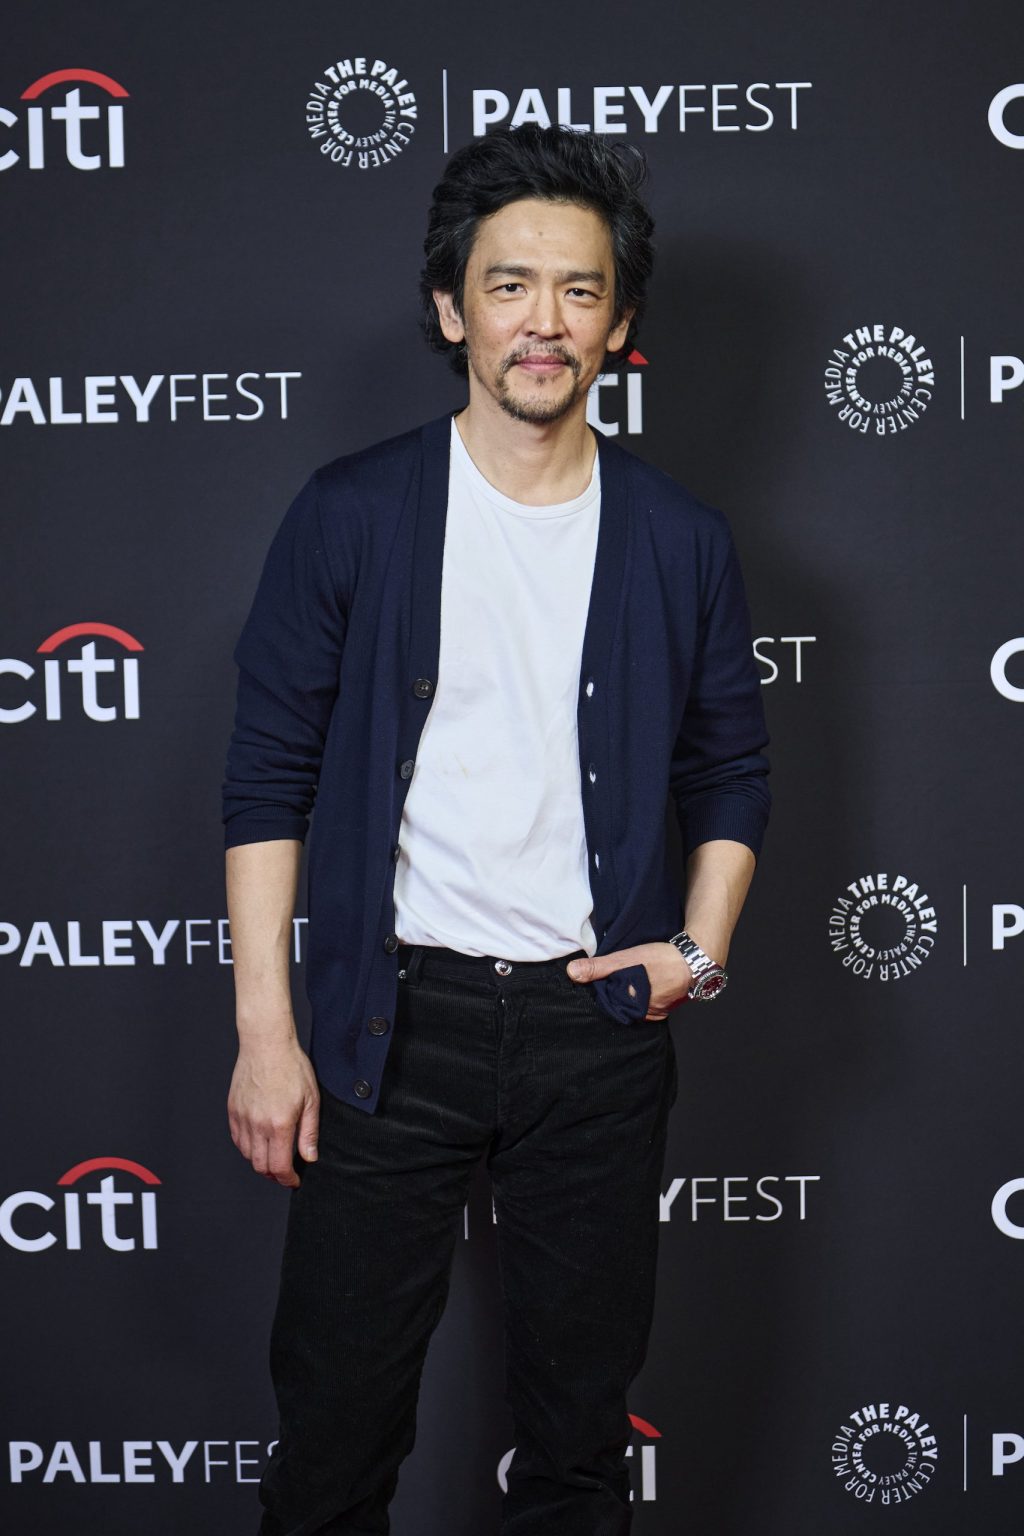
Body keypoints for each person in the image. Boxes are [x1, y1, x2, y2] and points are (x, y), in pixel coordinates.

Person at [222, 124, 770, 1536]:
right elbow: (265, 782)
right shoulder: (352, 514)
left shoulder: (679, 538)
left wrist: (694, 958)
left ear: (621, 324)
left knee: (580, 1445)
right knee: (336, 1433)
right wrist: (270, 1037)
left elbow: (731, 774)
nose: (545, 321)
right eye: (511, 285)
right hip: (390, 1028)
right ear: (452, 308)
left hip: (598, 1036)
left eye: (580, 292)